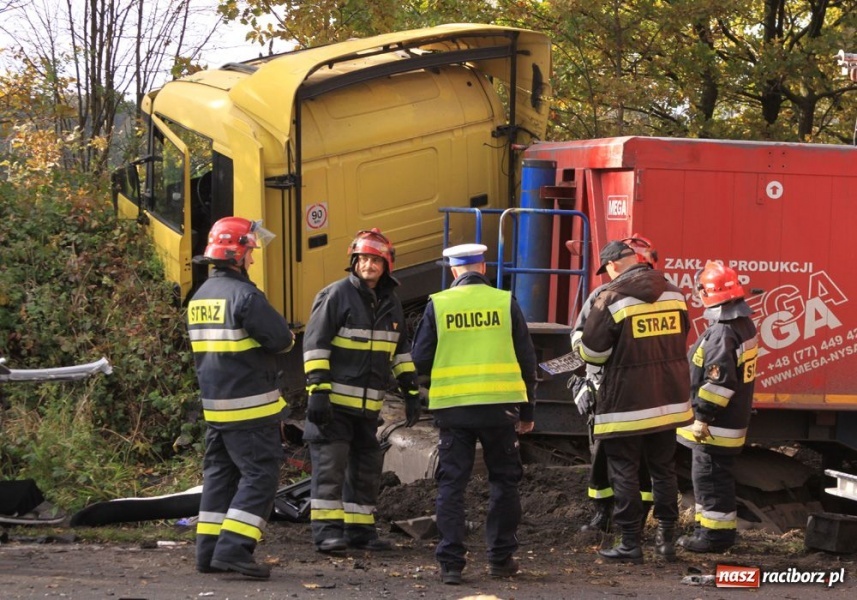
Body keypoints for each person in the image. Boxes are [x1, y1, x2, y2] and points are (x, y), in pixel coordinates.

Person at [411, 243, 538, 585]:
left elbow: (419, 360)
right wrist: (527, 411)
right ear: (482, 267)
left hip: (454, 411)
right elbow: (527, 360)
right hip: (500, 409)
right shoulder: (503, 301)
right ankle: (500, 558)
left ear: (454, 270)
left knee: (452, 484)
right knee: (504, 482)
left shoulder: (438, 304)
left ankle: (451, 563)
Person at [187, 216, 295, 579]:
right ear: (236, 253)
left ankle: (208, 552)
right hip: (250, 408)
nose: (252, 258)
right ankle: (233, 549)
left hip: (216, 410)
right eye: (249, 251)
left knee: (220, 477)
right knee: (260, 476)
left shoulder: (199, 297)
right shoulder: (245, 296)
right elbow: (281, 339)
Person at [302, 228, 421, 554]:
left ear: (386, 265)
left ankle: (360, 532)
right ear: (354, 262)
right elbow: (315, 345)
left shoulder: (391, 303)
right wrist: (318, 392)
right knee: (330, 469)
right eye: (363, 259)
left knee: (367, 471)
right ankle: (326, 534)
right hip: (334, 408)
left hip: (369, 410)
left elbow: (399, 351)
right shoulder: (336, 296)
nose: (368, 265)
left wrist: (411, 389)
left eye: (375, 260)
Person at [578, 240, 693, 563]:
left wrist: (579, 343)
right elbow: (679, 338)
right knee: (663, 470)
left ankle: (629, 542)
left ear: (613, 266)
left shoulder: (610, 298)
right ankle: (666, 541)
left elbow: (593, 354)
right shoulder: (674, 292)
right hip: (669, 400)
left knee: (624, 471)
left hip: (627, 403)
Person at [572, 235, 658, 534]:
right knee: (603, 456)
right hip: (611, 390)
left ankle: (635, 525)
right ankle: (604, 515)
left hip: (638, 392)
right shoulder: (603, 295)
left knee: (639, 460)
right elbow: (582, 340)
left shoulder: (664, 297)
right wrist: (584, 382)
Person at [677, 261, 758, 553]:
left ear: (707, 293)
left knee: (710, 478)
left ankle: (714, 538)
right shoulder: (742, 324)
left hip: (716, 425)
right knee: (711, 477)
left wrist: (702, 418)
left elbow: (717, 384)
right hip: (730, 419)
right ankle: (705, 530)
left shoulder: (724, 332)